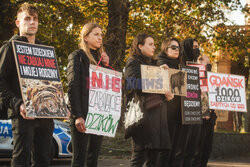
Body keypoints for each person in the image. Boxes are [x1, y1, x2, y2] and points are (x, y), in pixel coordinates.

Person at [0, 3, 54, 166]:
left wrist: (59, 104)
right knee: (21, 159)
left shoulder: (45, 50)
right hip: (23, 115)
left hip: (45, 115)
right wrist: (18, 104)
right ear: (18, 23)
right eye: (27, 19)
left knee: (44, 159)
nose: (32, 22)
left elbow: (51, 81)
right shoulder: (9, 48)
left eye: (35, 19)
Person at [124, 33, 173, 167]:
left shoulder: (154, 64)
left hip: (157, 119)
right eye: (150, 44)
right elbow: (133, 84)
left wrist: (166, 95)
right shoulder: (132, 63)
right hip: (142, 119)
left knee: (154, 160)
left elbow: (155, 91)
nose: (154, 47)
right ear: (140, 46)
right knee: (139, 159)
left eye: (154, 44)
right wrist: (156, 73)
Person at [67, 22, 109, 167]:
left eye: (101, 34)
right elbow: (73, 87)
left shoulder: (101, 60)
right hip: (82, 115)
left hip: (99, 115)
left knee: (93, 158)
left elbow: (108, 88)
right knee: (79, 158)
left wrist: (107, 65)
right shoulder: (77, 56)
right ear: (85, 37)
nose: (100, 38)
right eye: (96, 34)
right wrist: (77, 115)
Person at [157, 38, 189, 167]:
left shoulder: (182, 66)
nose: (177, 50)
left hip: (179, 115)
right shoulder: (159, 63)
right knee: (164, 151)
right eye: (173, 47)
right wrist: (159, 71)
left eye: (178, 48)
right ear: (165, 49)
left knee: (175, 150)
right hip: (164, 115)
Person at [181, 38, 202, 167]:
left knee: (192, 149)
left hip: (195, 112)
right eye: (194, 47)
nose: (197, 50)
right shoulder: (180, 63)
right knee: (182, 149)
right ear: (187, 47)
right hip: (183, 113)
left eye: (198, 47)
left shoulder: (198, 67)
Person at [196, 55, 217, 167]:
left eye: (208, 60)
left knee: (206, 149)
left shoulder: (212, 77)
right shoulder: (193, 74)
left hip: (210, 118)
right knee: (198, 149)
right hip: (198, 118)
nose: (206, 61)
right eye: (202, 59)